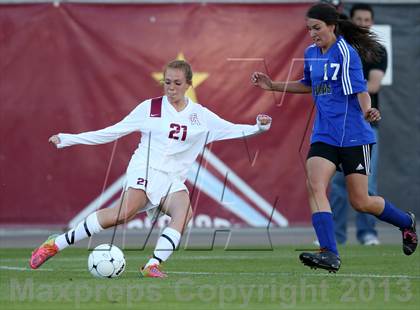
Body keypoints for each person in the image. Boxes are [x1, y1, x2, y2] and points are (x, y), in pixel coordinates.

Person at [30, 59, 272, 278]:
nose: (171, 87)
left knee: (184, 213)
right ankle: (55, 244)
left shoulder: (201, 116)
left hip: (172, 178)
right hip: (145, 169)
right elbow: (112, 132)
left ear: (188, 84)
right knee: (123, 213)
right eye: (167, 82)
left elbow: (231, 129)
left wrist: (258, 128)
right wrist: (69, 138)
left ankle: (152, 264)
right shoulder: (150, 108)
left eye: (177, 82)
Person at [251, 2, 417, 272]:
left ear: (332, 26)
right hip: (325, 134)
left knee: (361, 201)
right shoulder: (311, 53)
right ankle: (329, 252)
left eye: (317, 28)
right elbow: (308, 84)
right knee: (315, 185)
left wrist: (368, 111)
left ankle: (405, 222)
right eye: (309, 29)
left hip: (354, 136)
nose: (312, 34)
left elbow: (361, 91)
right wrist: (273, 85)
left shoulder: (346, 53)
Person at [329, 3, 388, 246]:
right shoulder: (339, 50)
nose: (363, 23)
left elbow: (373, 85)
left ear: (372, 22)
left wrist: (349, 83)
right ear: (351, 22)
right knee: (337, 185)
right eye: (359, 19)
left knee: (367, 184)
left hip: (365, 127)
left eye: (367, 19)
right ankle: (336, 237)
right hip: (339, 127)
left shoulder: (378, 51)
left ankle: (367, 234)